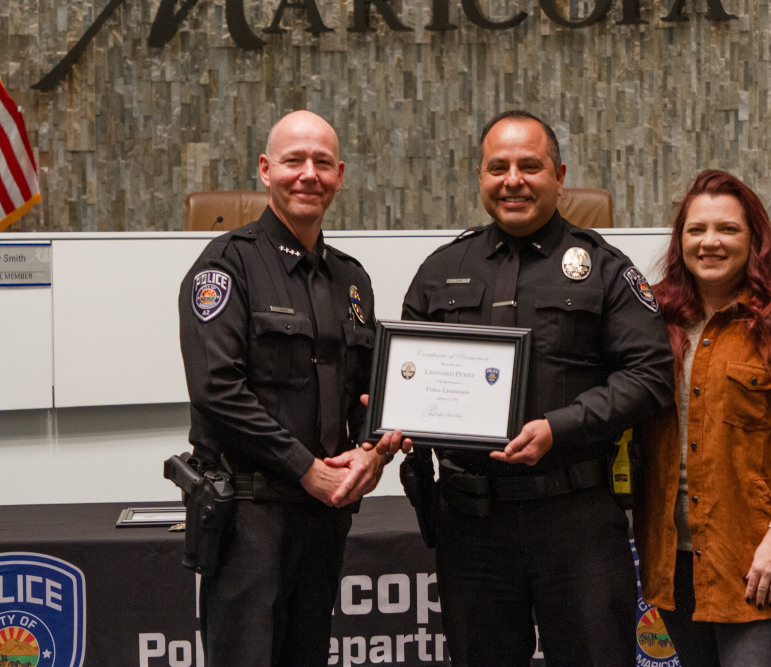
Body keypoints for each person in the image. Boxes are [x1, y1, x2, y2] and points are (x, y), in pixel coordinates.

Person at [368, 110, 675, 667]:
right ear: (481, 177)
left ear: (559, 174)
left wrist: (559, 428)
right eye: (498, 167)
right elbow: (406, 377)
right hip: (472, 525)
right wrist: (395, 416)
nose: (513, 180)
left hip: (576, 518)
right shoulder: (441, 270)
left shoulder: (605, 268)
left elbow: (650, 377)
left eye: (529, 166)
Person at [178, 110, 387, 667]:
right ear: (266, 170)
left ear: (339, 174)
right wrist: (306, 468)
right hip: (251, 519)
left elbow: (372, 393)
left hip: (323, 518)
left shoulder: (352, 280)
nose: (308, 174)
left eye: (322, 162)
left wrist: (373, 451)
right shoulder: (226, 266)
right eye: (294, 160)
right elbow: (217, 390)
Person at [632, 170, 771, 667]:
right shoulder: (652, 320)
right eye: (696, 229)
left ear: (755, 240)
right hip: (675, 560)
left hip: (755, 557)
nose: (710, 242)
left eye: (727, 229)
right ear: (680, 240)